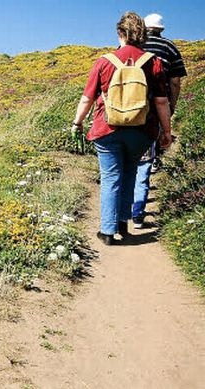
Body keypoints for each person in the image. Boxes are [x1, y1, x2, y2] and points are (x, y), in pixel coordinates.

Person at [71, 11, 173, 245]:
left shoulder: (104, 61)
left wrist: (77, 123)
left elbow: (87, 98)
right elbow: (160, 101)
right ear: (143, 35)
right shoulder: (153, 62)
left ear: (120, 33)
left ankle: (107, 231)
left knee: (110, 177)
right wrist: (166, 132)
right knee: (130, 173)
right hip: (141, 130)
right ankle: (123, 223)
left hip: (107, 129)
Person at [131, 13, 187, 228]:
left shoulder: (135, 45)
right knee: (148, 150)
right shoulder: (170, 48)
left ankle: (125, 208)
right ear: (161, 29)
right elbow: (175, 83)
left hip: (131, 106)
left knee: (131, 157)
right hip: (157, 104)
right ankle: (138, 211)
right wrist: (172, 106)